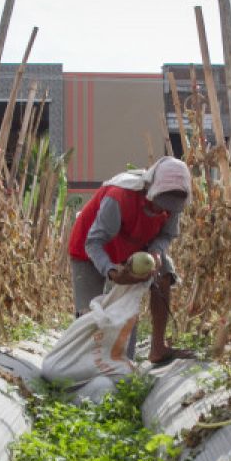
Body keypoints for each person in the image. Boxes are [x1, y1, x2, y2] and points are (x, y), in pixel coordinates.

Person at [67, 156, 197, 367]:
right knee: (88, 316)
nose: (160, 211)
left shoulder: (173, 204)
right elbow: (94, 242)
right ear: (150, 189)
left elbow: (167, 235)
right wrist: (111, 271)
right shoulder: (121, 196)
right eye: (158, 204)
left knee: (165, 270)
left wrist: (155, 252)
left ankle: (157, 348)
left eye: (168, 207)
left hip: (131, 250)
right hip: (88, 248)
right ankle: (82, 365)